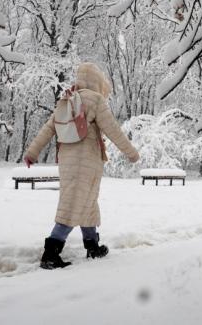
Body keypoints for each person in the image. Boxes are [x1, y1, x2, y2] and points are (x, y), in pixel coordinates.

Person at [24, 62, 140, 269]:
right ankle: (51, 253)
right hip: (86, 160)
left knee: (87, 203)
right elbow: (113, 130)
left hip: (68, 159)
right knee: (73, 204)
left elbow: (49, 128)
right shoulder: (95, 100)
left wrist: (32, 152)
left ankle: (92, 246)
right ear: (97, 81)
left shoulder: (68, 99)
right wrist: (131, 153)